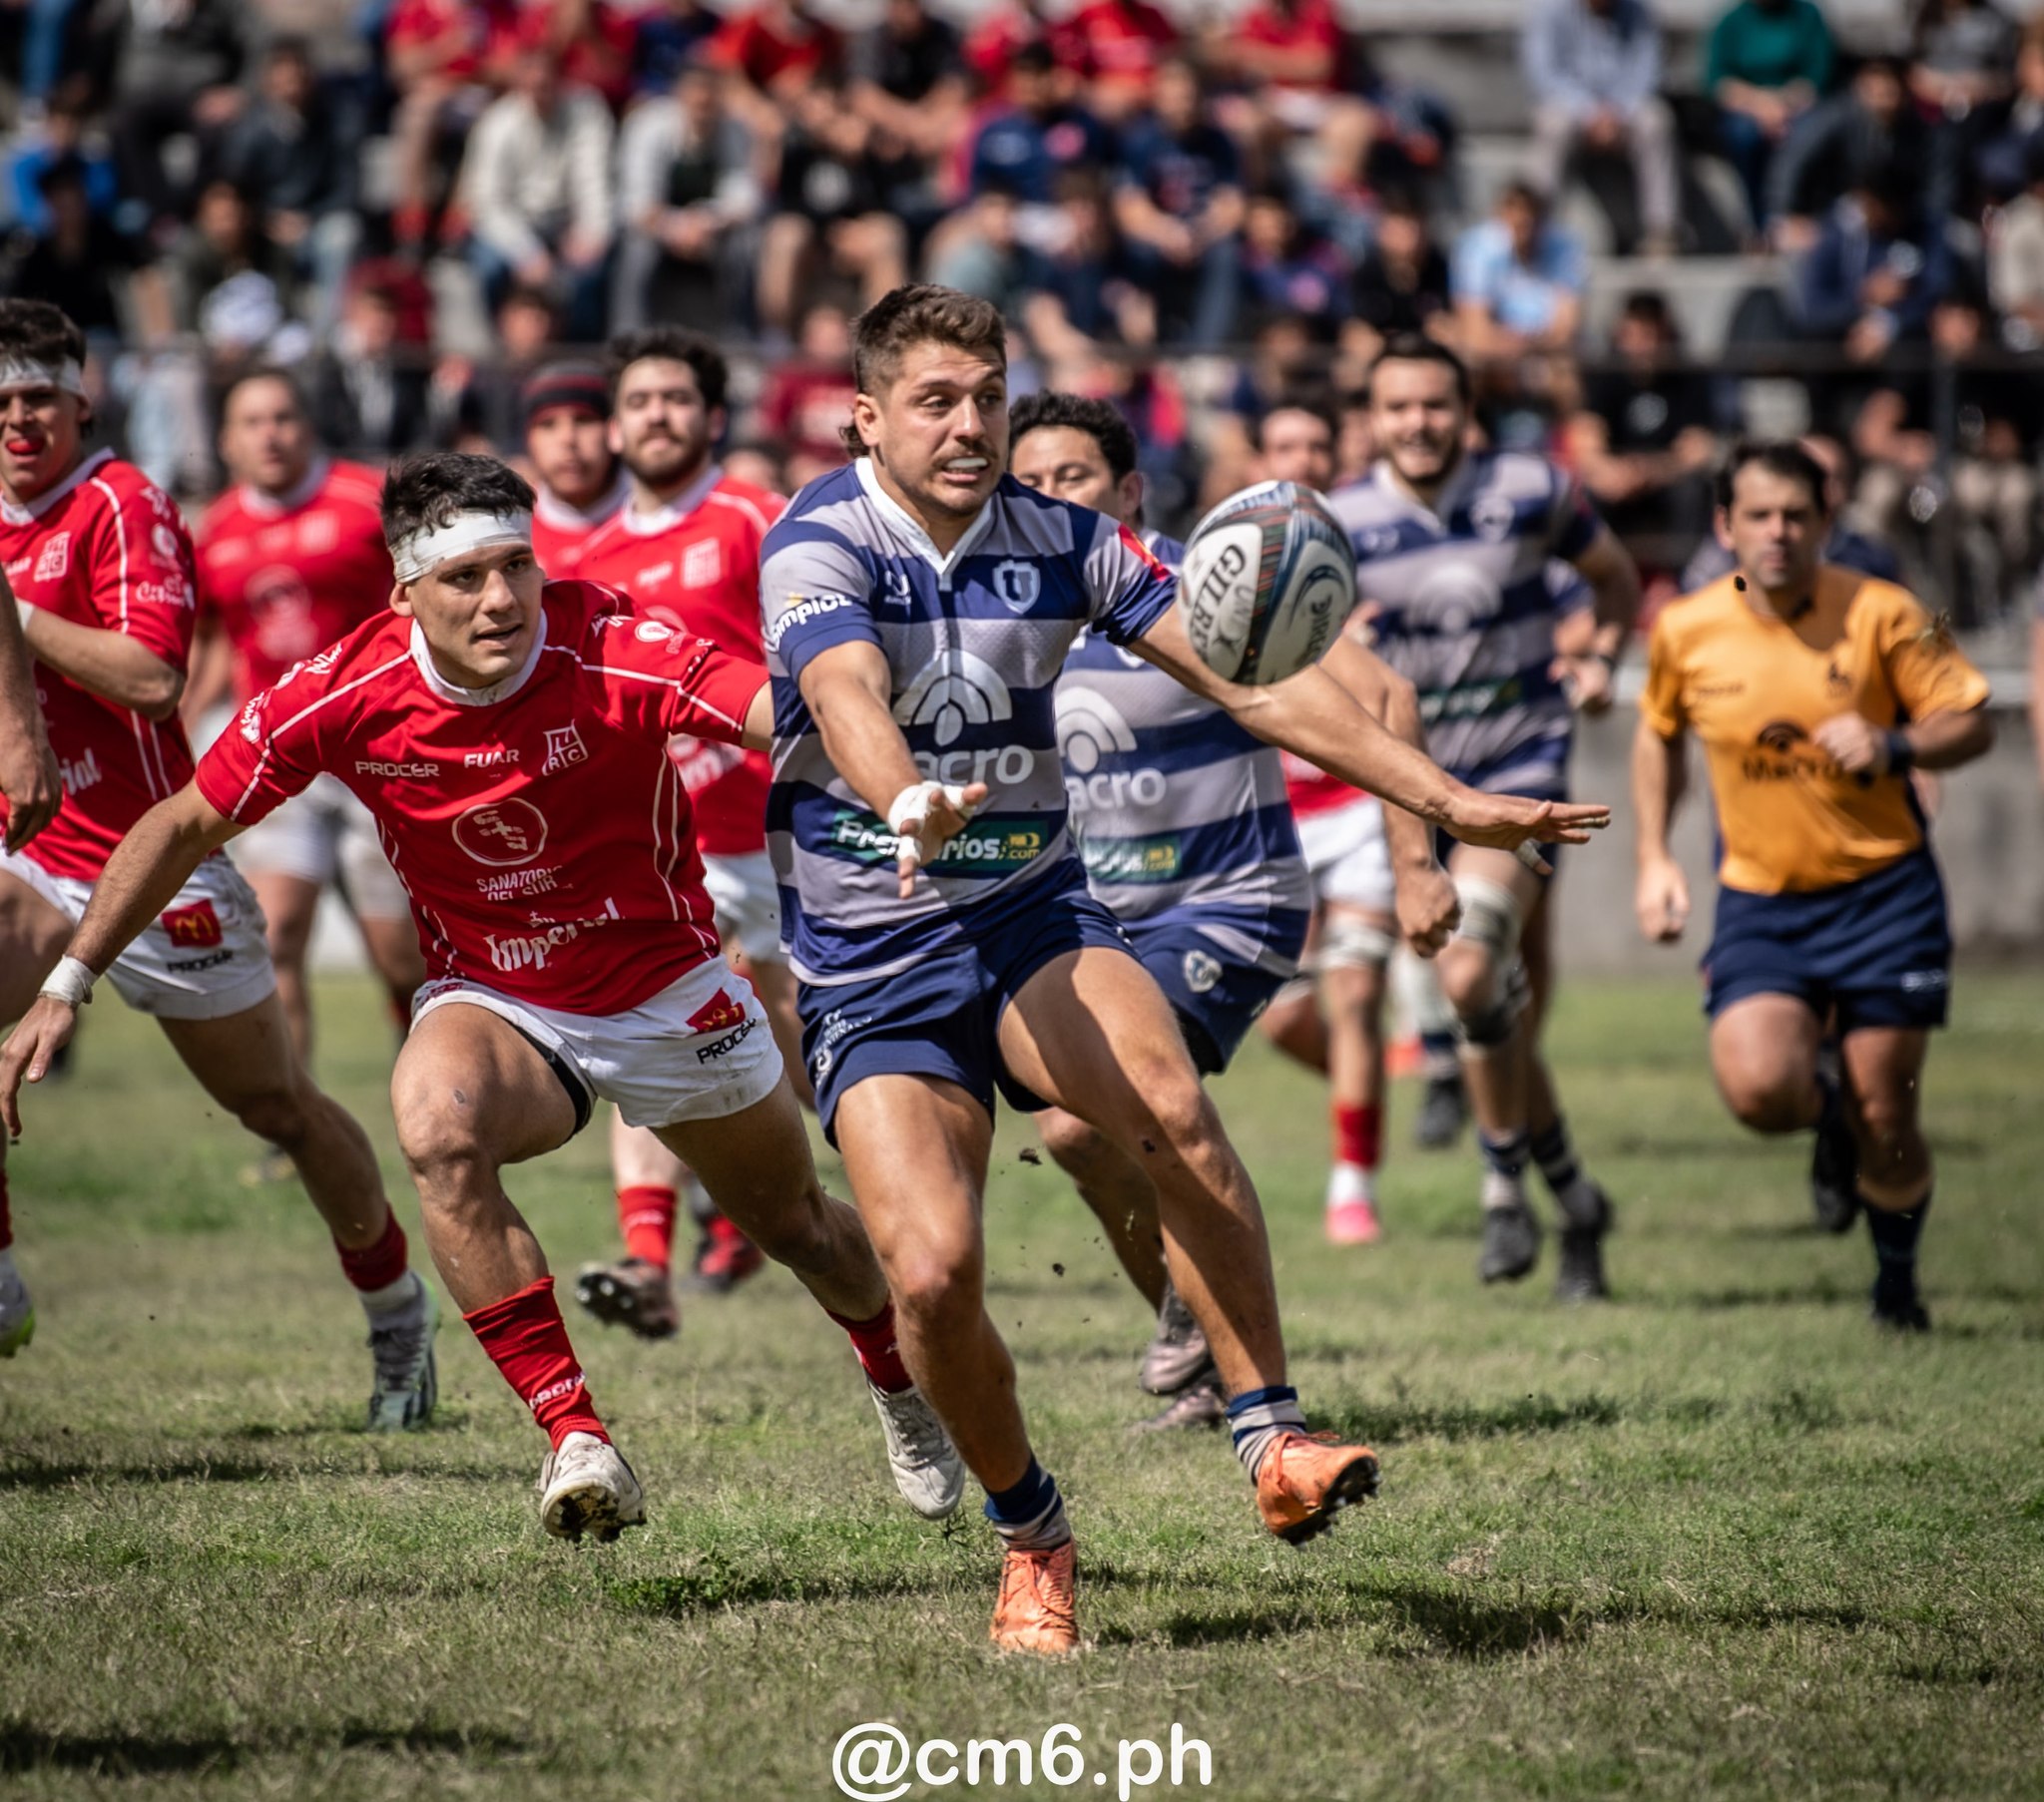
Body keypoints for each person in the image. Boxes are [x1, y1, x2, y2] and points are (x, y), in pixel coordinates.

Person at [758, 284, 1608, 1653]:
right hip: (872, 955)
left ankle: (1272, 1434)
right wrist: (905, 792)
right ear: (867, 414)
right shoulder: (818, 539)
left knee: (1167, 1108)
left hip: (1032, 914)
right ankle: (1032, 1534)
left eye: (987, 395)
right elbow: (844, 689)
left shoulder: (1067, 540)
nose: (970, 423)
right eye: (935, 399)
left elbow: (1258, 682)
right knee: (933, 1273)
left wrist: (1444, 796)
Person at [0, 450, 964, 1537]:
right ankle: (575, 1436)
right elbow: (181, 821)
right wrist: (70, 980)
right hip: (502, 1004)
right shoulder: (346, 690)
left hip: (670, 990)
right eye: (464, 578)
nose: (501, 599)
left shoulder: (614, 645)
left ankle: (893, 1380)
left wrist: (900, 788)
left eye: (516, 566)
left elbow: (779, 708)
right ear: (404, 591)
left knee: (801, 1233)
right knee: (434, 1122)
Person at [0, 300, 435, 1417]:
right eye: (0, 399)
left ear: (83, 400)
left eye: (38, 394)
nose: (17, 418)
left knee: (279, 1105)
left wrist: (13, 616)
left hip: (156, 860)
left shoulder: (121, 503)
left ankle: (398, 1316)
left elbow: (154, 678)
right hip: (31, 854)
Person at [1014, 391, 1459, 1430]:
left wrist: (1415, 865)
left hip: (1228, 902)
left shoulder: (1197, 582)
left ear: (1126, 491)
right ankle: (1200, 1343)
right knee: (1070, 1132)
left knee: (1091, 1123)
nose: (1043, 500)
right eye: (1023, 482)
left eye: (1068, 478)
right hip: (1094, 921)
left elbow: (1383, 696)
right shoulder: (1000, 606)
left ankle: (1213, 1342)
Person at [1633, 440, 1993, 1330]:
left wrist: (1896, 743)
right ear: (1725, 525)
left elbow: (1973, 718)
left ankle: (1897, 1287)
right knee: (1759, 1091)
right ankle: (1832, 1129)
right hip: (1762, 900)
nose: (1779, 532)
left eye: (1797, 514)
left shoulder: (1891, 610)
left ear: (1826, 520)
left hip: (1886, 895)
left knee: (1889, 1108)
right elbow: (1656, 735)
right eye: (1758, 515)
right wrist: (1654, 855)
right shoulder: (1684, 627)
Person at [1332, 332, 1640, 1298]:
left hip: (1519, 771)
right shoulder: (1335, 525)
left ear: (1464, 412)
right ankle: (1572, 1198)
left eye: (1433, 405)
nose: (1416, 424)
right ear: (1370, 419)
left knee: (1470, 970)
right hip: (1413, 782)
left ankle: (1503, 1188)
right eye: (1396, 408)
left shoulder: (1528, 490)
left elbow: (1616, 580)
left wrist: (1596, 658)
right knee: (1498, 1008)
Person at [573, 327, 796, 1325]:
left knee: (785, 1045)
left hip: (776, 835)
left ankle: (762, 1214)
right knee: (647, 1030)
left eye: (674, 398)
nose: (655, 414)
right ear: (616, 427)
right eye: (638, 401)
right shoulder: (583, 557)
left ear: (711, 417)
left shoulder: (754, 516)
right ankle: (647, 1258)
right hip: (655, 857)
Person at [189, 370, 426, 1103]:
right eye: (252, 422)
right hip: (280, 755)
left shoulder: (366, 503)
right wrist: (182, 717)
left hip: (377, 752)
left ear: (308, 424)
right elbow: (217, 638)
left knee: (398, 955)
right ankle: (294, 1115)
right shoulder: (219, 529)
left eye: (284, 416)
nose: (270, 434)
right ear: (228, 442)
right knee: (277, 931)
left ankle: (422, 1052)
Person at [1246, 401, 1421, 1240]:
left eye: (1317, 444)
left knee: (1353, 997)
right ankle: (1374, 1083)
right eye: (1285, 446)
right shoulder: (1224, 556)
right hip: (1274, 817)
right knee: (1283, 1018)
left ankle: (1353, 1183)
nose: (1302, 459)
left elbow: (1400, 682)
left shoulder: (1376, 548)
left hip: (1355, 807)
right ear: (1258, 458)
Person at [1522, 0, 1680, 255]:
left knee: (1656, 122)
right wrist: (1589, 112)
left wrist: (1615, 113)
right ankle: (1536, 228)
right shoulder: (1549, 11)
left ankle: (1662, 231)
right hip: (1570, 107)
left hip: (1624, 111)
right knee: (1552, 126)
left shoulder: (1639, 12)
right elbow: (1544, 75)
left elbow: (1648, 72)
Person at [521, 362, 630, 579]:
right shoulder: (511, 528)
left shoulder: (662, 517)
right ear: (528, 439)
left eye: (584, 420)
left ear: (614, 430)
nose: (568, 439)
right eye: (548, 424)